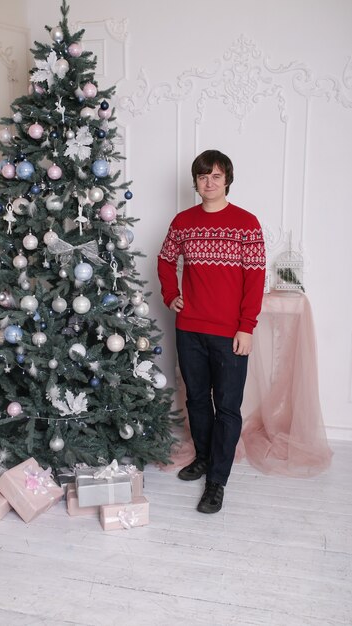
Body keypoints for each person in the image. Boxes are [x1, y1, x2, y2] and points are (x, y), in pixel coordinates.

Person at [157, 150, 266, 514]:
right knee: (197, 400)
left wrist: (246, 327)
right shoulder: (183, 222)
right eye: (204, 176)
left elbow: (255, 280)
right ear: (196, 181)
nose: (210, 182)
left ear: (227, 180)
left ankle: (217, 481)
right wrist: (171, 294)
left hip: (230, 333)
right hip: (189, 329)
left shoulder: (246, 224)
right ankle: (203, 457)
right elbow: (165, 258)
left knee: (228, 407)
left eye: (216, 176)